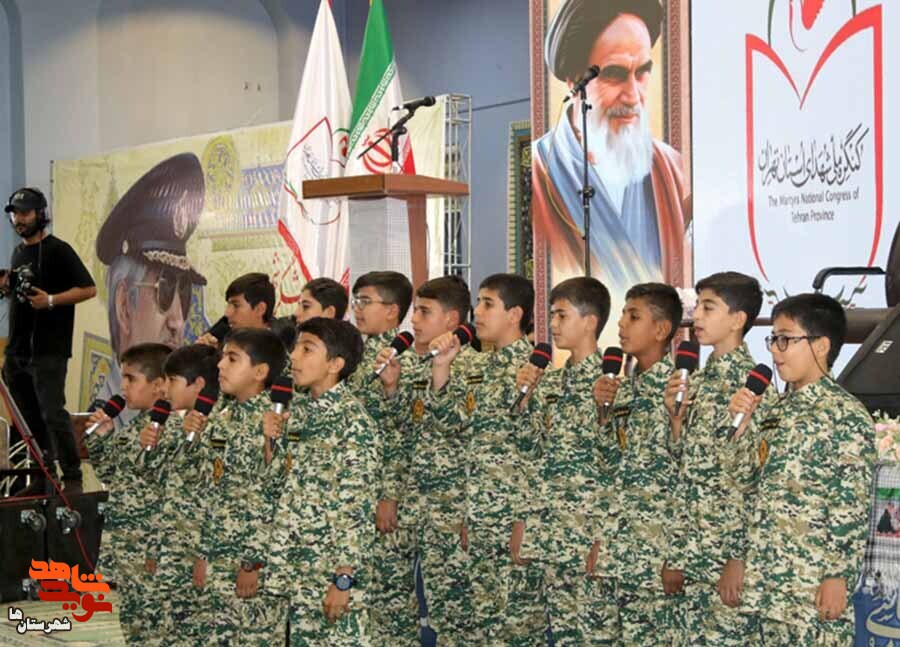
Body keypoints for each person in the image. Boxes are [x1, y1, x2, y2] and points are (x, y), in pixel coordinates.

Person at [533, 0, 691, 349]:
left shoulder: (671, 168)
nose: (633, 95)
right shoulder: (541, 168)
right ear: (575, 81)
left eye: (643, 72)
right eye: (616, 75)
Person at [729, 294, 876, 645]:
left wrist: (837, 575)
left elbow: (850, 504)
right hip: (766, 584)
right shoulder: (775, 410)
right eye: (773, 339)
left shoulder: (844, 414)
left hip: (810, 586)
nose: (775, 350)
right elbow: (746, 484)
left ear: (821, 345)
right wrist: (742, 429)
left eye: (785, 339)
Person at [427, 273, 544, 644]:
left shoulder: (535, 371)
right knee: (481, 629)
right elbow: (451, 426)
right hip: (479, 521)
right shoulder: (480, 368)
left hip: (514, 522)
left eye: (487, 304)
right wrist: (442, 367)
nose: (476, 312)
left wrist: (526, 522)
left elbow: (539, 458)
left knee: (514, 632)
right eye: (477, 302)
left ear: (515, 314)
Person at [661, 272, 769, 645]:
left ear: (738, 320)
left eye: (709, 308)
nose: (696, 317)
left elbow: (756, 483)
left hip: (725, 553)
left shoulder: (753, 388)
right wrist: (676, 421)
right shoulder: (696, 381)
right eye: (697, 307)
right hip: (690, 549)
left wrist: (737, 558)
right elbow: (684, 469)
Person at [260, 317, 377, 645]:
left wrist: (343, 580)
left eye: (307, 349)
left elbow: (356, 509)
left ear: (335, 364)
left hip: (331, 575)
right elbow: (276, 484)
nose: (294, 357)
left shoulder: (354, 424)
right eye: (296, 347)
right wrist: (270, 440)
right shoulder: (300, 414)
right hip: (299, 573)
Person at [514, 276, 618, 645]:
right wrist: (524, 402)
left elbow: (616, 470)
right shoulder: (551, 383)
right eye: (552, 316)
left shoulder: (611, 386)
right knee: (562, 636)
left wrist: (604, 538)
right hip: (551, 535)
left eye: (562, 315)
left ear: (590, 322)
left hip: (589, 535)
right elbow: (532, 456)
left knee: (596, 636)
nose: (554, 324)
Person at [375, 275, 477, 643]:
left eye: (424, 312)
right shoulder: (412, 364)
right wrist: (391, 388)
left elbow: (467, 436)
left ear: (451, 320)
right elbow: (400, 433)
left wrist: (471, 512)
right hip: (408, 500)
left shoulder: (475, 369)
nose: (414, 320)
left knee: (453, 612)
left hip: (451, 507)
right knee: (390, 604)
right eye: (415, 311)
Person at [591, 282, 682, 645]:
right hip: (621, 551)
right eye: (623, 315)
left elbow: (689, 479)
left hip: (658, 552)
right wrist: (603, 413)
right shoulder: (624, 390)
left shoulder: (680, 392)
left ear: (661, 330)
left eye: (634, 316)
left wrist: (676, 555)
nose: (621, 325)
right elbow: (608, 467)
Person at [191, 328, 288, 643]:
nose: (220, 365)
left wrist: (253, 562)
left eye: (233, 359)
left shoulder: (275, 422)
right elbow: (209, 491)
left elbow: (274, 497)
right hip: (218, 558)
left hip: (254, 563)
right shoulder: (222, 418)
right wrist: (203, 554)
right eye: (222, 357)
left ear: (260, 372)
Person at [1, 186, 96, 495]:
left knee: (52, 413)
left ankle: (72, 476)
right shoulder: (18, 252)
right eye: (15, 214)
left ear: (40, 215)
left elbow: (89, 288)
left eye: (25, 213)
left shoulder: (58, 250)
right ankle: (39, 476)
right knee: (24, 419)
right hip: (17, 351)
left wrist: (52, 300)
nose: (19, 220)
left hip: (48, 351)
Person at [345, 270, 417, 646]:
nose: (357, 309)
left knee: (391, 603)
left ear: (392, 311)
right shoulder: (355, 358)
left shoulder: (406, 360)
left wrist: (389, 494)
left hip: (386, 497)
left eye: (366, 301)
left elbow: (402, 433)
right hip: (355, 496)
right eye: (355, 300)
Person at [84, 342, 172, 644]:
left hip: (149, 549)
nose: (122, 388)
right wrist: (101, 438)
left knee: (156, 629)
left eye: (131, 379)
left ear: (158, 385)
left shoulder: (166, 429)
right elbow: (113, 477)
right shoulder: (135, 427)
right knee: (134, 628)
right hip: (127, 547)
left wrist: (156, 549)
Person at [139, 344, 220, 645]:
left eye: (172, 381)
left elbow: (216, 496)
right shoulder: (175, 424)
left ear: (198, 384)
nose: (164, 389)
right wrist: (149, 447)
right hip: (169, 547)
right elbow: (160, 488)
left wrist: (204, 554)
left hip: (197, 548)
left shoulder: (218, 426)